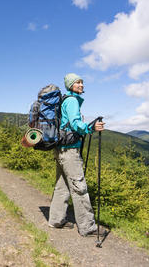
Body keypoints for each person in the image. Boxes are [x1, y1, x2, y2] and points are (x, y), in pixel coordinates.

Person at [48, 73, 107, 237]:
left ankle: (55, 220)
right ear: (70, 85)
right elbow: (75, 123)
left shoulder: (64, 100)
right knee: (79, 188)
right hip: (70, 152)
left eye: (82, 82)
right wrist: (91, 128)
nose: (81, 85)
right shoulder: (72, 101)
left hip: (60, 149)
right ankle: (88, 227)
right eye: (77, 82)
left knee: (62, 186)